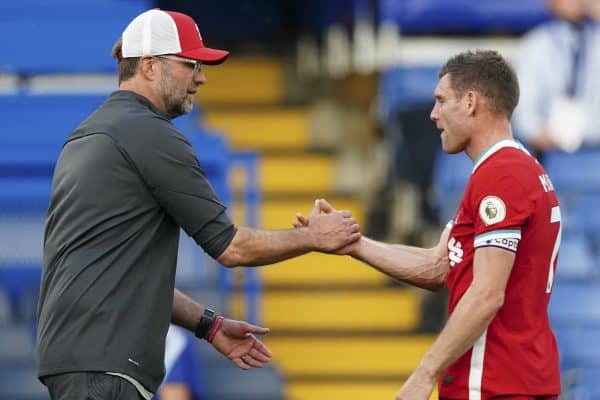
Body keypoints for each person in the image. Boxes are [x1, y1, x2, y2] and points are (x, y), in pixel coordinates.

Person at [36, 9, 361, 400]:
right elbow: (232, 247)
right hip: (105, 370)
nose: (201, 77)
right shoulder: (148, 133)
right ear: (151, 66)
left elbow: (128, 277)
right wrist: (313, 237)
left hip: (83, 363)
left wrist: (209, 325)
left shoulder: (86, 135)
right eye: (190, 64)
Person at [296, 51, 561, 399]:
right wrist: (353, 243)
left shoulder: (503, 175)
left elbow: (486, 293)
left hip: (497, 384)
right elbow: (439, 266)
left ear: (470, 102)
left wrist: (425, 373)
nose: (433, 114)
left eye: (440, 101)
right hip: (509, 380)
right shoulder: (509, 168)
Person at [512, 0, 600, 155]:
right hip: (551, 150)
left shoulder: (596, 38)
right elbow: (523, 110)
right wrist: (535, 132)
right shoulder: (536, 45)